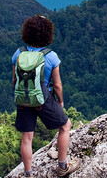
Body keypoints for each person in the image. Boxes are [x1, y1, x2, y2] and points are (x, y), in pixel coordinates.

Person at [13, 15, 80, 176]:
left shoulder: (19, 53)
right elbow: (57, 85)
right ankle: (62, 167)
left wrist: (21, 97)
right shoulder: (50, 56)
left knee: (26, 138)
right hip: (43, 99)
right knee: (65, 126)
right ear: (47, 34)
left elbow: (15, 79)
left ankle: (28, 173)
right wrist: (60, 101)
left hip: (23, 98)